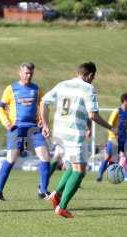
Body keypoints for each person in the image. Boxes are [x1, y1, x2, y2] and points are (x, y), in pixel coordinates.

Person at [40, 61, 116, 218]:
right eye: (93, 78)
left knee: (71, 166)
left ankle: (56, 193)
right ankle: (61, 207)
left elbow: (44, 102)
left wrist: (46, 125)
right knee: (80, 171)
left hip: (59, 133)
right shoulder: (88, 88)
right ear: (90, 76)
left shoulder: (62, 84)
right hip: (74, 134)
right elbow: (93, 115)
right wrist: (110, 127)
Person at [0, 62, 50, 201]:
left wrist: (43, 119)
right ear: (20, 73)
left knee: (45, 157)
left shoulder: (36, 89)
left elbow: (43, 105)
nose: (28, 75)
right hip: (16, 128)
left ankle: (43, 191)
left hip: (34, 128)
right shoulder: (11, 89)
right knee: (11, 159)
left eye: (31, 73)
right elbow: (0, 108)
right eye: (26, 73)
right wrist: (7, 123)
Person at [96, 93, 127, 183]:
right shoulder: (117, 111)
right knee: (108, 157)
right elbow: (110, 124)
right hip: (114, 139)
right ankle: (100, 175)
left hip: (124, 139)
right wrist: (113, 136)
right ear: (125, 100)